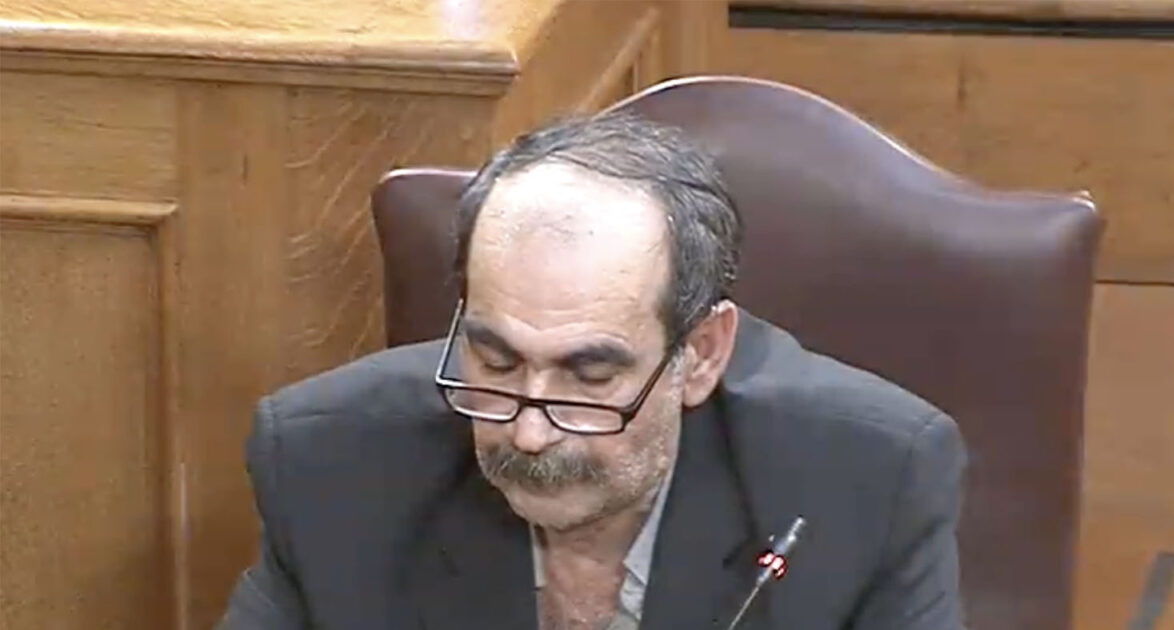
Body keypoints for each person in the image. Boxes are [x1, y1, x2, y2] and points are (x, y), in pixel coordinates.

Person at [217, 112, 967, 630]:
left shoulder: (870, 478)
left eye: (590, 376)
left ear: (701, 354)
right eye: (497, 361)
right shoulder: (328, 464)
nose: (529, 431)